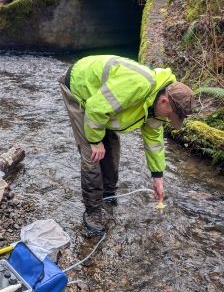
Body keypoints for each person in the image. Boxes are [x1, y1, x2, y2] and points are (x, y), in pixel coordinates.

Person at [59, 55, 194, 235]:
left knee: (112, 150)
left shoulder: (160, 103)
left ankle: (109, 195)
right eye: (170, 115)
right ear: (164, 101)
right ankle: (92, 211)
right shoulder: (137, 85)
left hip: (102, 102)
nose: (168, 119)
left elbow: (154, 141)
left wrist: (158, 177)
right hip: (79, 88)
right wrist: (95, 141)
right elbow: (96, 108)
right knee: (92, 156)